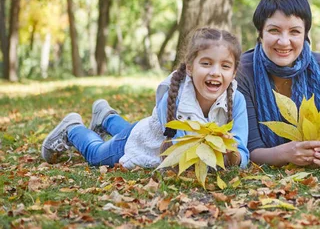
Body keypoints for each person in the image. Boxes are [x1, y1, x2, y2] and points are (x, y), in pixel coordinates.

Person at [41, 28, 249, 169]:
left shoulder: (237, 100)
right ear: (190, 67)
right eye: (206, 63)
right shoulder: (175, 97)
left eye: (225, 66)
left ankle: (106, 117)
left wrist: (232, 152)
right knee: (97, 155)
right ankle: (73, 129)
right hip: (141, 141)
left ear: (234, 72)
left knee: (123, 130)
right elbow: (183, 151)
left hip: (144, 131)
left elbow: (241, 152)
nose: (215, 72)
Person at [236, 0, 320, 168]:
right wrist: (287, 153)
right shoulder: (242, 70)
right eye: (274, 30)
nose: (284, 41)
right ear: (260, 33)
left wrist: (313, 154)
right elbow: (250, 149)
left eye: (294, 32)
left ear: (305, 34)